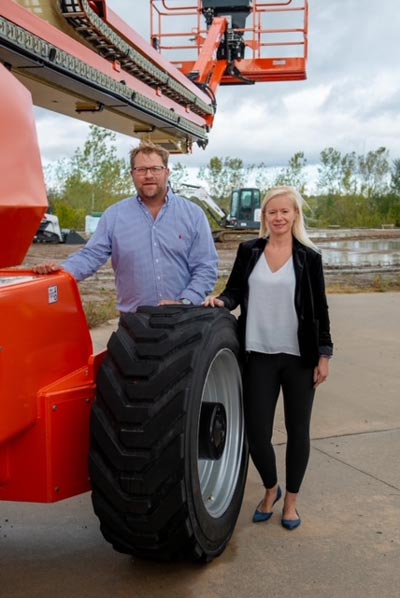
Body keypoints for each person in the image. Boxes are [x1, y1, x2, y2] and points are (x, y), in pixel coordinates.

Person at [204, 186, 333, 530]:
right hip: (258, 354)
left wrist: (324, 354)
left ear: (295, 216)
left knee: (298, 431)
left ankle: (290, 503)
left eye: (284, 212)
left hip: (299, 358)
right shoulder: (250, 251)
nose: (278, 218)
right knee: (257, 433)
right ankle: (270, 488)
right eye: (271, 212)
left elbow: (320, 309)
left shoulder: (309, 256)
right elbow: (233, 292)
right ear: (264, 217)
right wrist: (220, 302)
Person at [33, 141, 218, 312]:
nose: (148, 175)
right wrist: (62, 271)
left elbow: (206, 266)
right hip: (134, 322)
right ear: (132, 174)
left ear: (167, 172)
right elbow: (91, 256)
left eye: (155, 168)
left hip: (184, 316)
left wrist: (185, 302)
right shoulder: (115, 216)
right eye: (141, 169)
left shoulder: (193, 215)